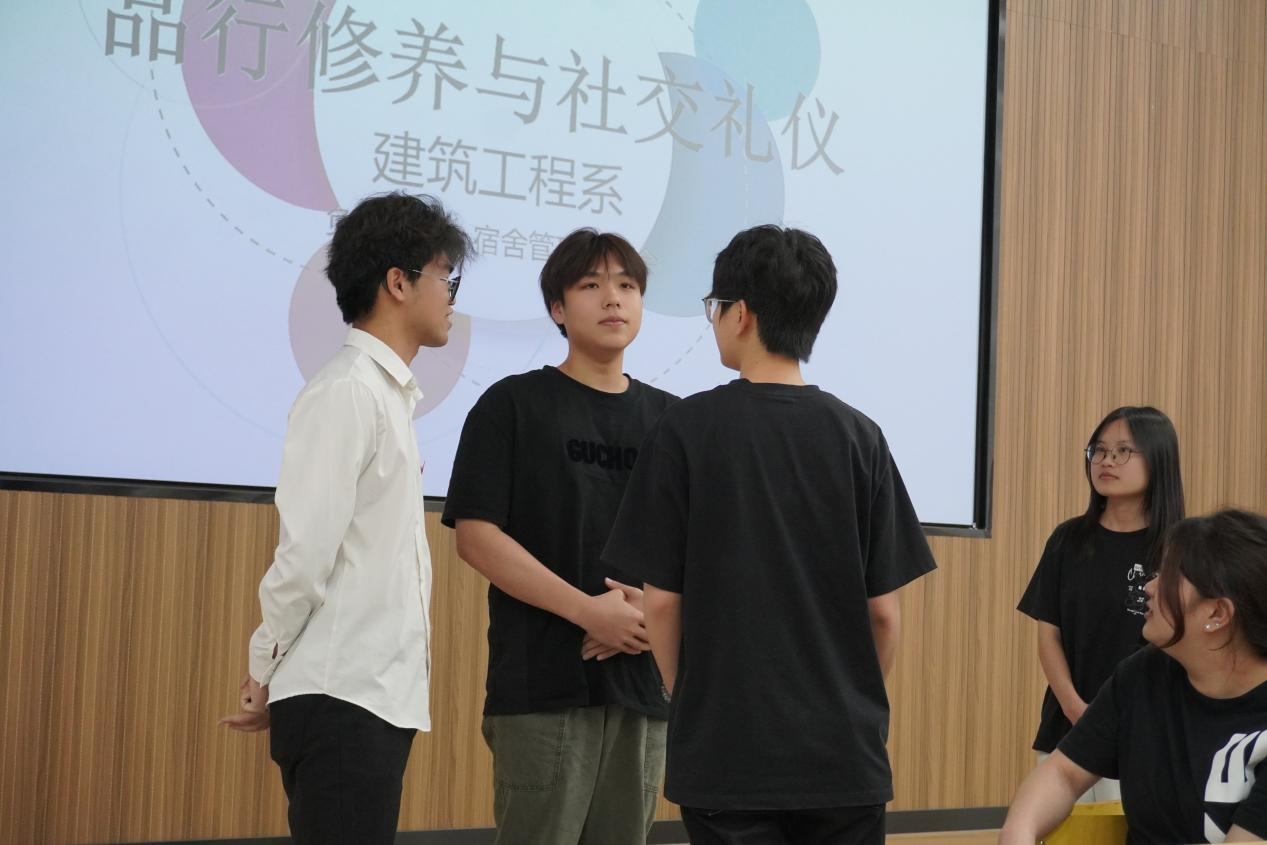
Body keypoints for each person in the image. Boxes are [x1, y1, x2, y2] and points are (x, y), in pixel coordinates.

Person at [602, 224, 937, 845]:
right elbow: (883, 615)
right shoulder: (860, 437)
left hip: (727, 754)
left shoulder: (686, 429)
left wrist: (688, 697)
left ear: (742, 314)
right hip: (842, 757)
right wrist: (848, 705)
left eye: (715, 306)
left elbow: (664, 604)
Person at [219, 192, 472, 845]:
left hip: (370, 695)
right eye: (445, 278)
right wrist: (263, 667)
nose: (452, 298)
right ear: (398, 283)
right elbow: (305, 554)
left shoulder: (385, 394)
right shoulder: (347, 391)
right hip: (341, 694)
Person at [442, 229, 676, 845]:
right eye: (591, 285)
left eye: (627, 285)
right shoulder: (512, 405)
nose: (613, 298)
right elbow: (476, 536)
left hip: (644, 684)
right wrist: (587, 612)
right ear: (557, 309)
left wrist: (645, 614)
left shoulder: (675, 421)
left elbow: (703, 549)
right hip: (543, 684)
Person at [1000, 509, 1267, 844]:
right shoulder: (1144, 673)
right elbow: (1064, 773)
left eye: (1167, 577)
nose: (1149, 587)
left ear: (1217, 613)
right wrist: (1018, 833)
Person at [1017, 406, 1185, 801]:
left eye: (1123, 451)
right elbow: (1049, 636)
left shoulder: (1179, 547)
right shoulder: (1068, 539)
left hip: (1143, 730)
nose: (1106, 461)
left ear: (1158, 460)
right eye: (1099, 450)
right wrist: (1075, 707)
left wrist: (1116, 716)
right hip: (1066, 725)